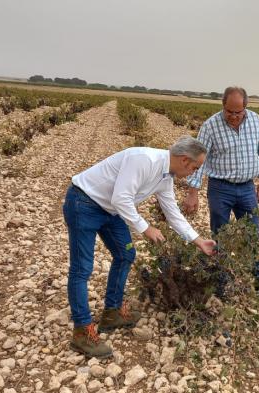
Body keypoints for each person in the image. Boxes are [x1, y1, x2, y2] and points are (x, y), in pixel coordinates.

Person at [63, 136, 216, 358]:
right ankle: (81, 332)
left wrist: (198, 240)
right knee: (82, 268)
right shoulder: (144, 159)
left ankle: (112, 312)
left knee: (126, 255)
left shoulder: (166, 177)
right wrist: (146, 228)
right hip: (84, 203)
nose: (195, 172)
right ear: (184, 160)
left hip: (111, 210)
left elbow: (172, 212)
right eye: (196, 167)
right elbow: (121, 198)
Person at [183, 86, 259, 301]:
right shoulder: (210, 125)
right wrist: (192, 193)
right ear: (223, 105)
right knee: (220, 235)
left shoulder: (255, 120)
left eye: (238, 112)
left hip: (247, 188)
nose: (233, 117)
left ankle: (257, 281)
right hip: (220, 188)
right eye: (229, 112)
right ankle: (220, 280)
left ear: (246, 107)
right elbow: (198, 159)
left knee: (251, 235)